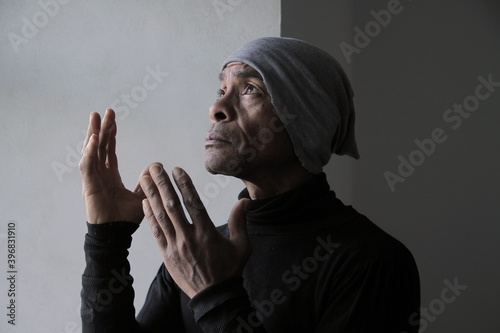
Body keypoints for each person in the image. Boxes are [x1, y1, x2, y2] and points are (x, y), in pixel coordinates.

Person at [80, 37, 420, 333]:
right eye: (222, 89)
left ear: (307, 122)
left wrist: (214, 293)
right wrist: (105, 241)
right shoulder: (201, 250)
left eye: (250, 89)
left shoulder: (373, 262)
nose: (216, 108)